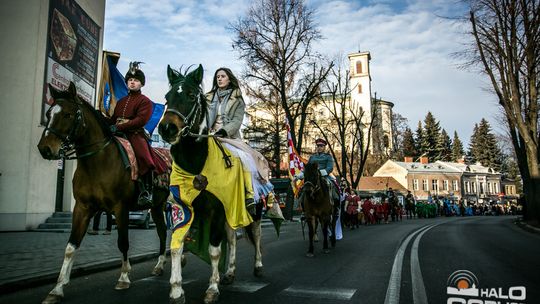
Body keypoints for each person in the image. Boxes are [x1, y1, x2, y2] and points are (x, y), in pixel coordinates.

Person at [202, 67, 273, 217]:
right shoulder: (208, 98)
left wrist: (224, 131)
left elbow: (237, 121)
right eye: (217, 77)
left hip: (229, 136)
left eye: (222, 76)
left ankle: (248, 193)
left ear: (229, 78)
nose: (219, 79)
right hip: (210, 136)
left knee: (244, 158)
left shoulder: (238, 99)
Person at [110, 62, 165, 206]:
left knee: (144, 157)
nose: (132, 82)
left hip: (134, 134)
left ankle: (146, 191)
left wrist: (121, 127)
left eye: (135, 80)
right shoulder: (121, 101)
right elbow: (113, 118)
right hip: (118, 134)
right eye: (130, 80)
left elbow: (141, 120)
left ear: (141, 84)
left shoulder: (144, 101)